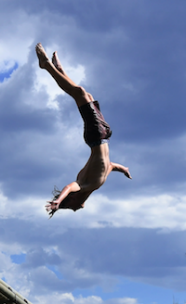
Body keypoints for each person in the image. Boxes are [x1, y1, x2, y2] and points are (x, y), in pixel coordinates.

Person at [35, 43, 131, 216]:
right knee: (85, 95)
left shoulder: (82, 184)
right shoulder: (96, 184)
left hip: (96, 135)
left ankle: (47, 66)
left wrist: (58, 201)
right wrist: (123, 169)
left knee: (79, 93)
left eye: (73, 207)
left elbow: (68, 187)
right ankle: (60, 70)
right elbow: (109, 166)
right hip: (104, 134)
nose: (79, 208)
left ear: (72, 199)